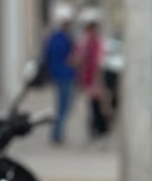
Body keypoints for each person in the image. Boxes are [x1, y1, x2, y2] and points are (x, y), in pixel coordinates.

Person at [44, 15, 75, 144]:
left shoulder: (54, 38)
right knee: (63, 106)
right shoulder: (62, 39)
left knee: (62, 106)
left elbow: (47, 56)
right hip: (65, 75)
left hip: (60, 75)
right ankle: (57, 133)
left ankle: (57, 132)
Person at [75, 20, 107, 142]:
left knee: (96, 105)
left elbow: (97, 61)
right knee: (93, 105)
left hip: (93, 78)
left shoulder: (93, 43)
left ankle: (98, 128)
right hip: (90, 78)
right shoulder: (89, 42)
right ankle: (96, 128)